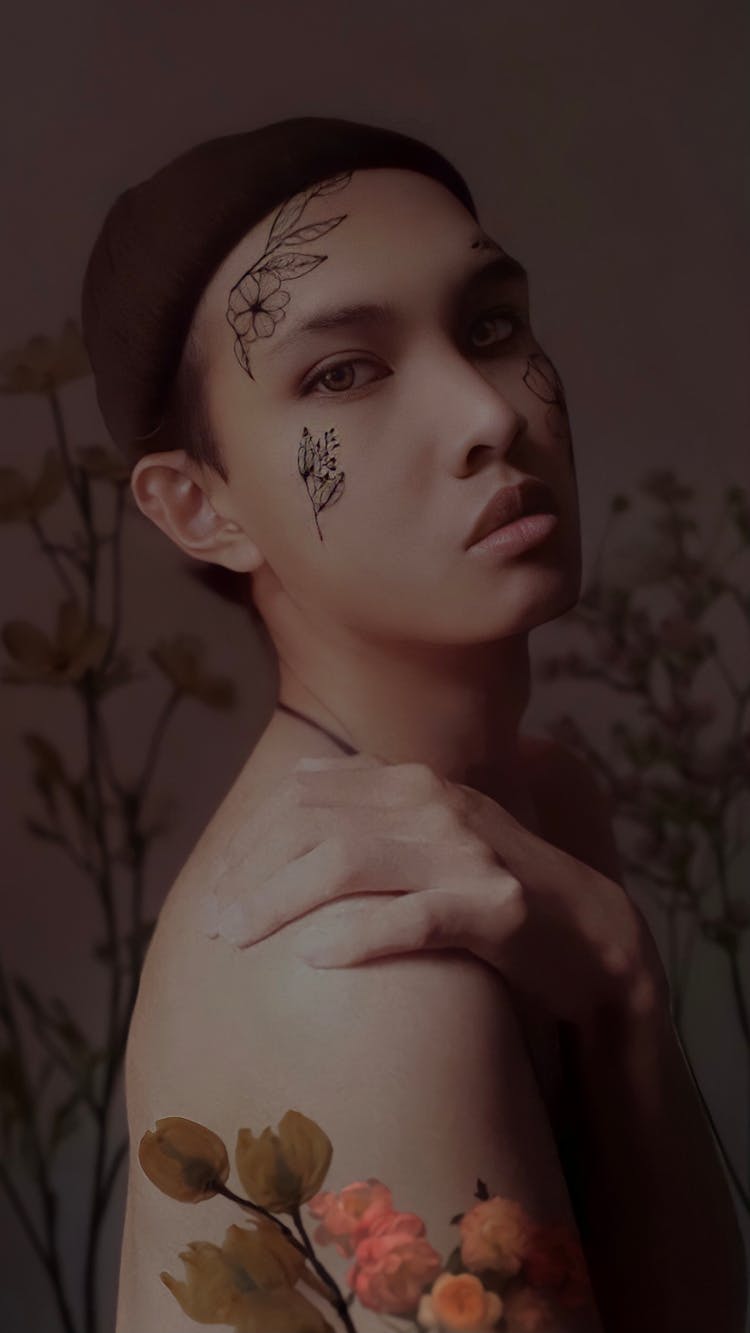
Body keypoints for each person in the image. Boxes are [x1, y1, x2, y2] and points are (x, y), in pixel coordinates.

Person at [81, 117, 747, 1333]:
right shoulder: (369, 961)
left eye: (491, 324)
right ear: (201, 508)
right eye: (343, 372)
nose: (486, 413)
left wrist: (621, 992)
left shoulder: (537, 810)